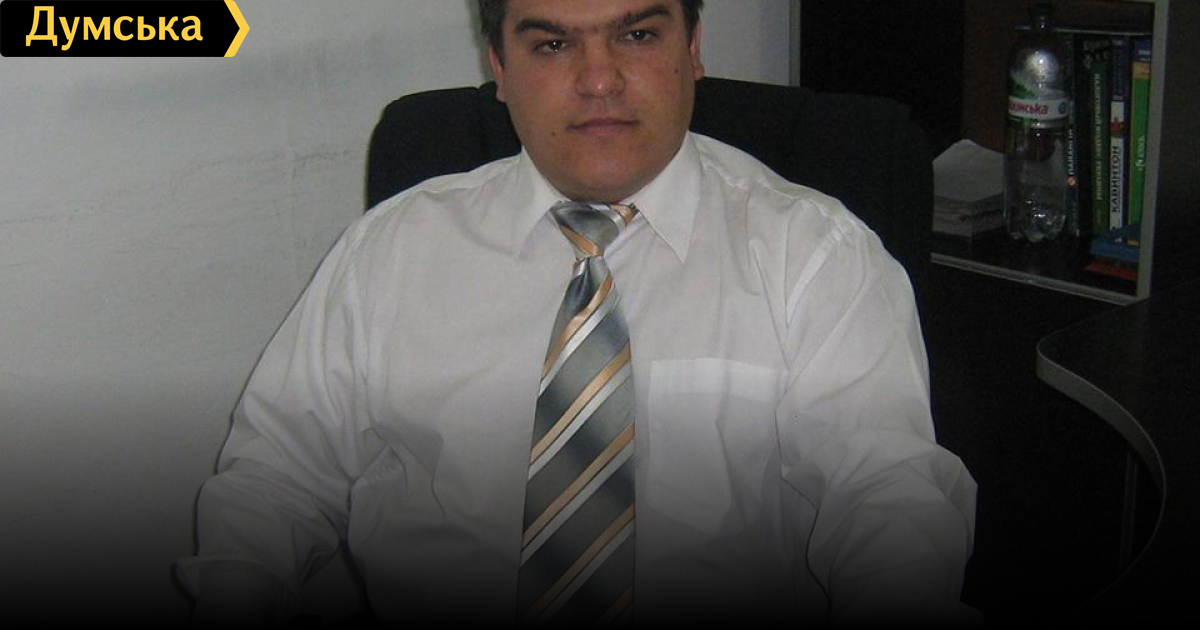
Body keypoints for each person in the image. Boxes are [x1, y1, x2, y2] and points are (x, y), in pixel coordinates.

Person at [176, 0, 979, 626]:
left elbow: (887, 503)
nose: (599, 79)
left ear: (694, 47)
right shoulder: (392, 251)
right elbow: (275, 480)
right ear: (498, 65)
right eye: (553, 44)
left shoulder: (814, 255)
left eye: (637, 35)